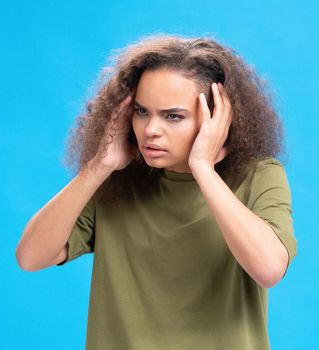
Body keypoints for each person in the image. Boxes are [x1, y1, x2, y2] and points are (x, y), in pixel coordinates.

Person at [16, 33, 298, 350]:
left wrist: (203, 168)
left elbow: (269, 269)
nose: (151, 129)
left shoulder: (258, 175)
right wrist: (99, 166)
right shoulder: (119, 179)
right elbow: (30, 257)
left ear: (217, 119)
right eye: (141, 111)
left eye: (173, 116)